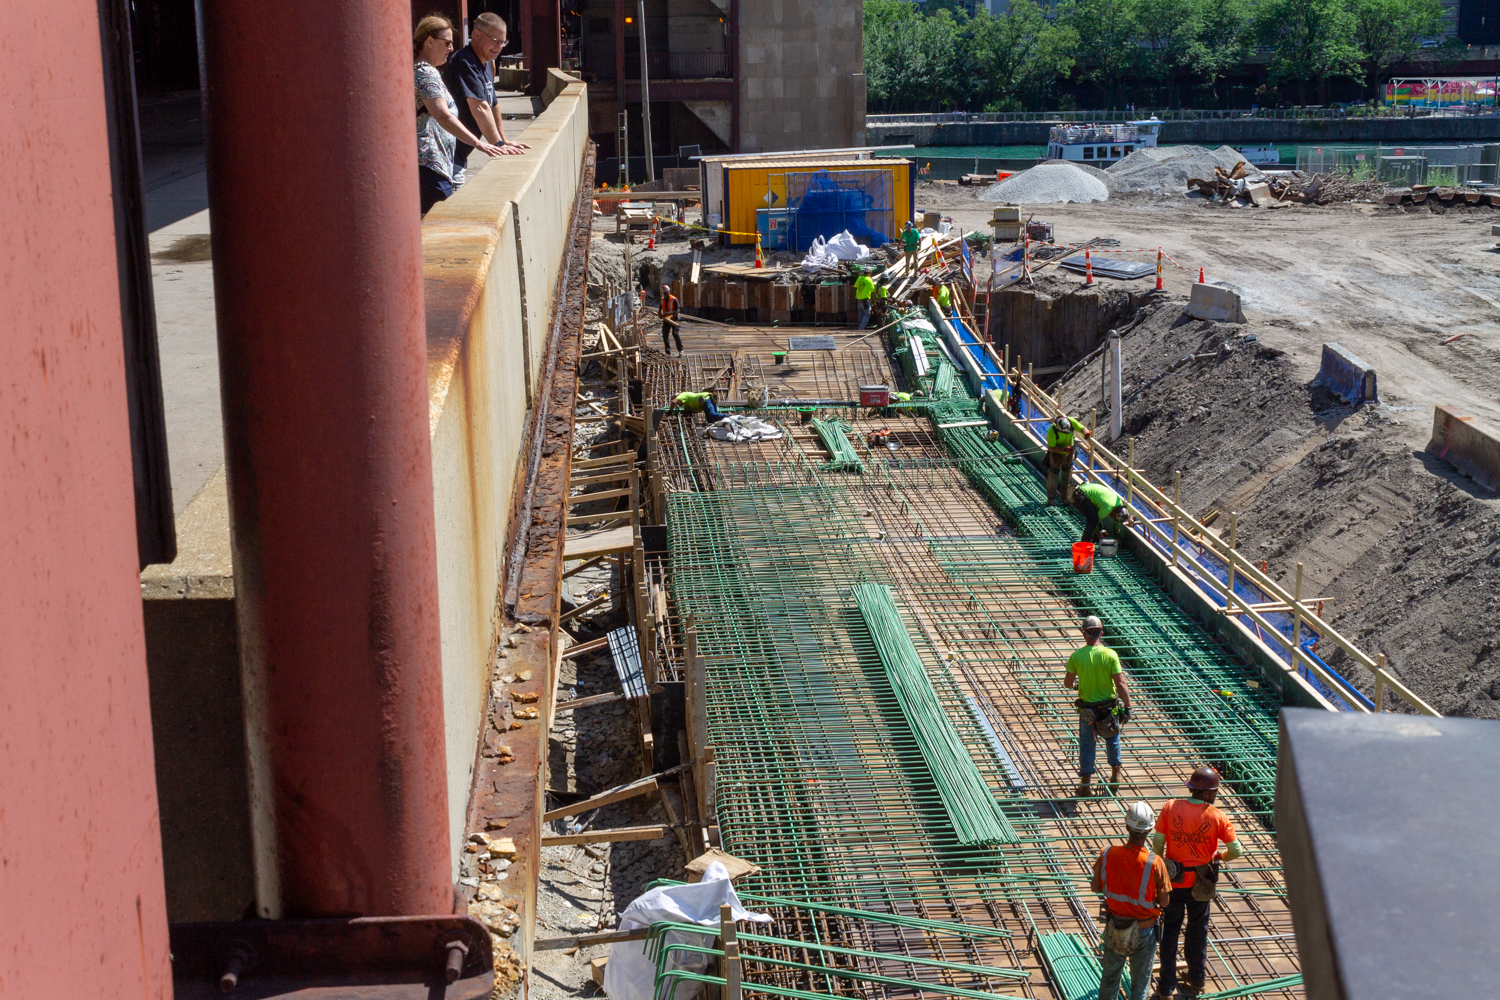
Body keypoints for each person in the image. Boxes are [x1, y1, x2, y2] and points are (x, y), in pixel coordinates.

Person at [1152, 767, 1244, 999]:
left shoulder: (1170, 807)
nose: (1216, 795)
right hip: (1201, 884)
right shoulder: (1217, 816)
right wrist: (1219, 856)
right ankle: (1197, 979)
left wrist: (1163, 867)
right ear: (1206, 793)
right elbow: (1236, 850)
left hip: (1174, 882)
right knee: (1197, 932)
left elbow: (1157, 841)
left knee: (1170, 932)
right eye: (1214, 791)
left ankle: (1166, 987)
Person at [415, 15, 503, 214]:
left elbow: (492, 102)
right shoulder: (424, 72)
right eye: (446, 43)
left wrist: (501, 141)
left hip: (438, 166)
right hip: (429, 166)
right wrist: (480, 143)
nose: (451, 49)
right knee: (441, 223)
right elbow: (444, 116)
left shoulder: (428, 70)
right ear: (429, 41)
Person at [1092, 801, 1172, 1000]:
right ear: (1150, 830)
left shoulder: (1107, 853)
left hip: (1115, 925)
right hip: (1144, 931)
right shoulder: (1156, 862)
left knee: (1110, 978)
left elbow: (1095, 887)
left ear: (1127, 827)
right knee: (1140, 984)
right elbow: (1165, 902)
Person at [442, 13, 530, 186]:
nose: (498, 47)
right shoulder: (464, 61)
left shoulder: (488, 62)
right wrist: (497, 144)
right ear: (476, 35)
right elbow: (479, 107)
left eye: (502, 42)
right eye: (494, 40)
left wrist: (503, 140)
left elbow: (492, 104)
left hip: (460, 155)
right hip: (448, 155)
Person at [1064, 615, 1132, 797]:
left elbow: (1067, 683)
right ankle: (1115, 775)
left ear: (1084, 633)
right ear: (1101, 633)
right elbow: (1121, 684)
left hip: (1087, 711)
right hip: (1109, 709)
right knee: (1112, 738)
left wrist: (1080, 683)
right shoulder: (1110, 655)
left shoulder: (1077, 656)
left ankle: (1085, 784)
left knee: (1087, 744)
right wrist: (1128, 707)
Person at [1045, 414, 1089, 504]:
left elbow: (1082, 428)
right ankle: (1051, 498)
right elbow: (1051, 448)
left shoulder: (1071, 422)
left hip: (1069, 453)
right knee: (1054, 474)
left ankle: (1065, 498)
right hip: (1056, 454)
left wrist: (1086, 433)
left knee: (1067, 474)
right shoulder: (1052, 431)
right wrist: (1063, 449)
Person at [1074, 480, 1132, 545]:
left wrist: (1116, 539)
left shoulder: (1118, 504)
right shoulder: (1108, 508)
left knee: (1096, 518)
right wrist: (1100, 535)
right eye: (1114, 516)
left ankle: (1095, 540)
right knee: (1093, 520)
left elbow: (1116, 525)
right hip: (1081, 495)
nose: (1112, 517)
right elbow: (1096, 522)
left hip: (1084, 490)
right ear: (1115, 513)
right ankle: (1084, 543)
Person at [659, 283, 683, 355]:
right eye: (664, 294)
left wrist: (672, 316)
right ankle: (668, 351)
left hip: (674, 319)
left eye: (666, 293)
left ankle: (680, 350)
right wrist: (659, 313)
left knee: (675, 333)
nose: (665, 295)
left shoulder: (674, 299)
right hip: (666, 319)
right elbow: (660, 308)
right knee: (665, 334)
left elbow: (677, 309)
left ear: (669, 292)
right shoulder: (662, 300)